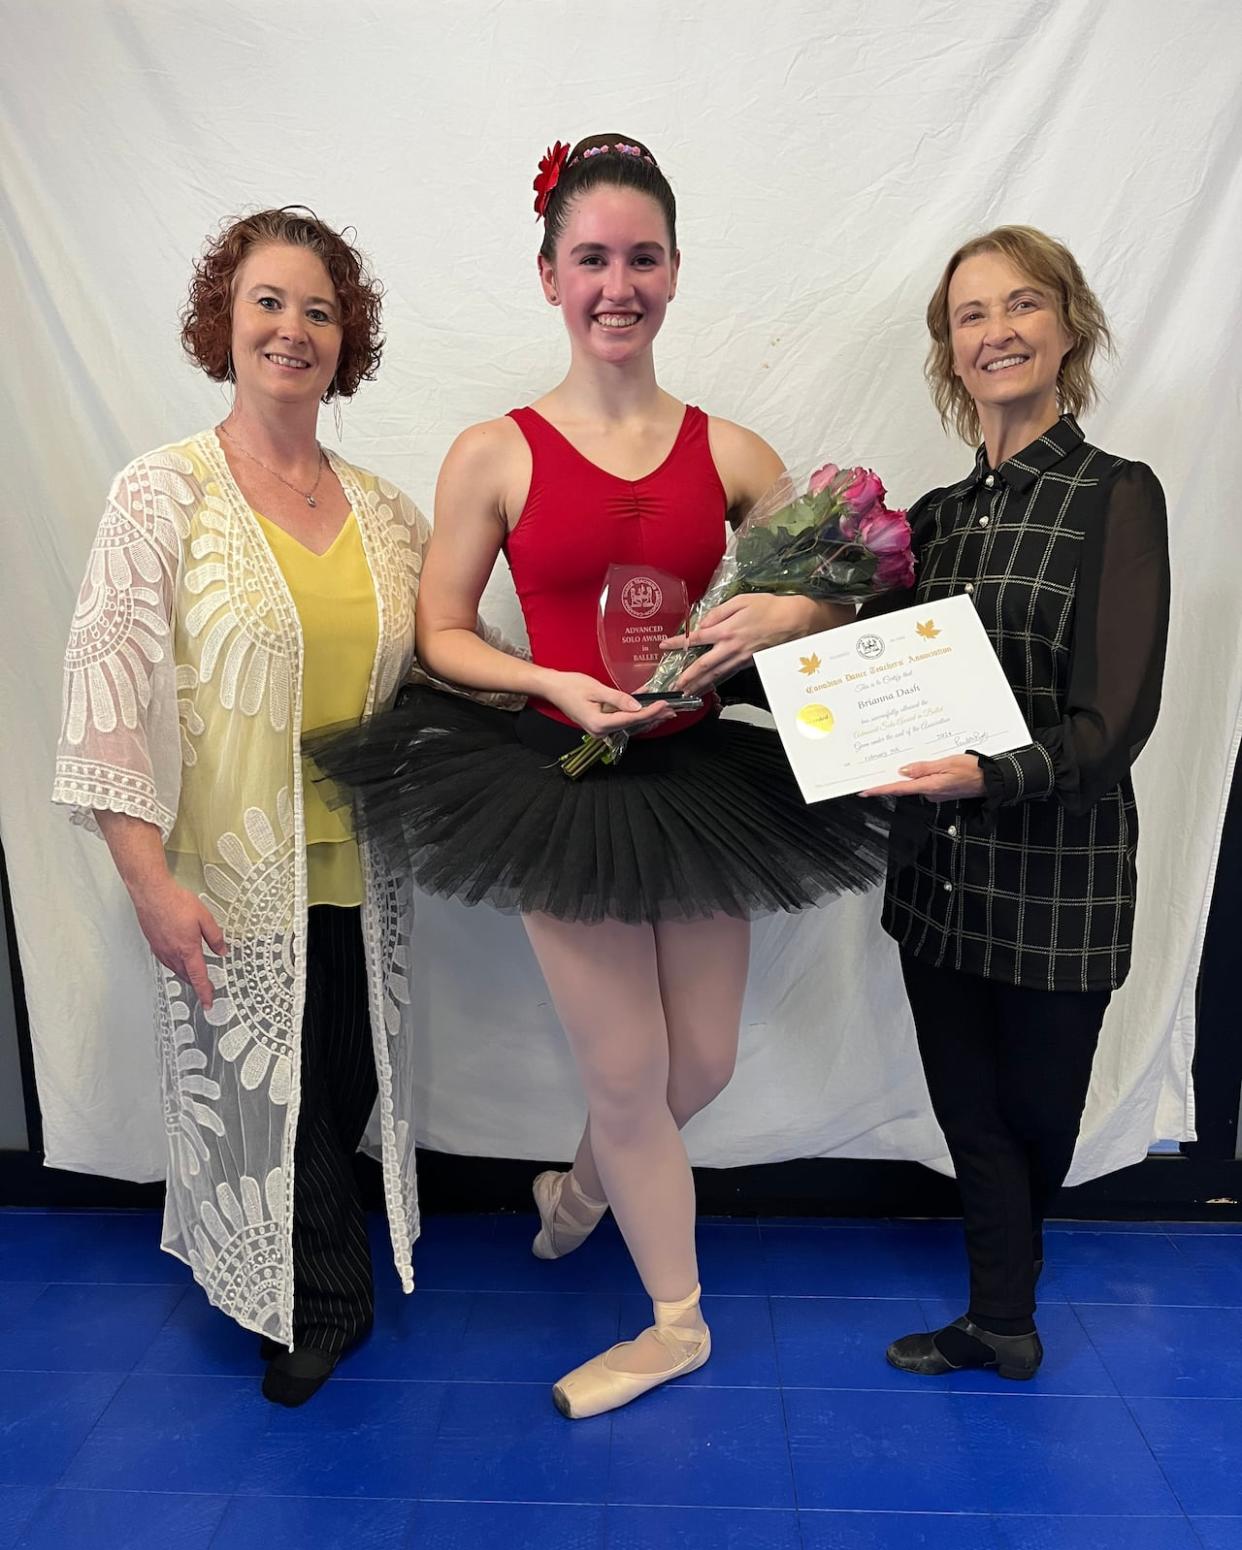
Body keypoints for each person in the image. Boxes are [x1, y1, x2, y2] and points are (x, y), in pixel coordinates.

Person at [309, 134, 889, 1418]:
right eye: (590, 259)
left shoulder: (733, 454)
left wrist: (779, 619)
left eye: (640, 257)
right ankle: (676, 1321)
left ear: (675, 272)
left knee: (706, 1064)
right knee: (628, 1074)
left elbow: (820, 590)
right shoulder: (494, 452)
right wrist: (545, 680)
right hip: (557, 781)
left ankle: (576, 1191)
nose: (615, 283)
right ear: (549, 276)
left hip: (698, 783)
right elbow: (444, 630)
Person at [52, 207, 512, 1406]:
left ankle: (310, 1271)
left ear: (344, 339)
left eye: (318, 308)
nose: (292, 328)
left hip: (363, 868)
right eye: (268, 301)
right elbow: (104, 701)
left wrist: (561, 689)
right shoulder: (163, 495)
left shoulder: (387, 511)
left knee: (345, 1077)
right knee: (278, 1089)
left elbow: (443, 655)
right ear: (225, 318)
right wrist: (147, 883)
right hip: (224, 870)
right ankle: (316, 1302)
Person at [861, 225, 1169, 1380]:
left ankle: (1007, 1300)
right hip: (940, 876)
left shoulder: (1116, 499)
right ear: (949, 350)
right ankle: (1004, 1319)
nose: (996, 332)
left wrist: (991, 774)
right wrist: (745, 654)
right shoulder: (931, 520)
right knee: (970, 1114)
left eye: (1021, 305)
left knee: (1038, 1115)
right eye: (971, 316)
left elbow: (1115, 719)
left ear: (1067, 326)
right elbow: (871, 686)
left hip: (1061, 878)